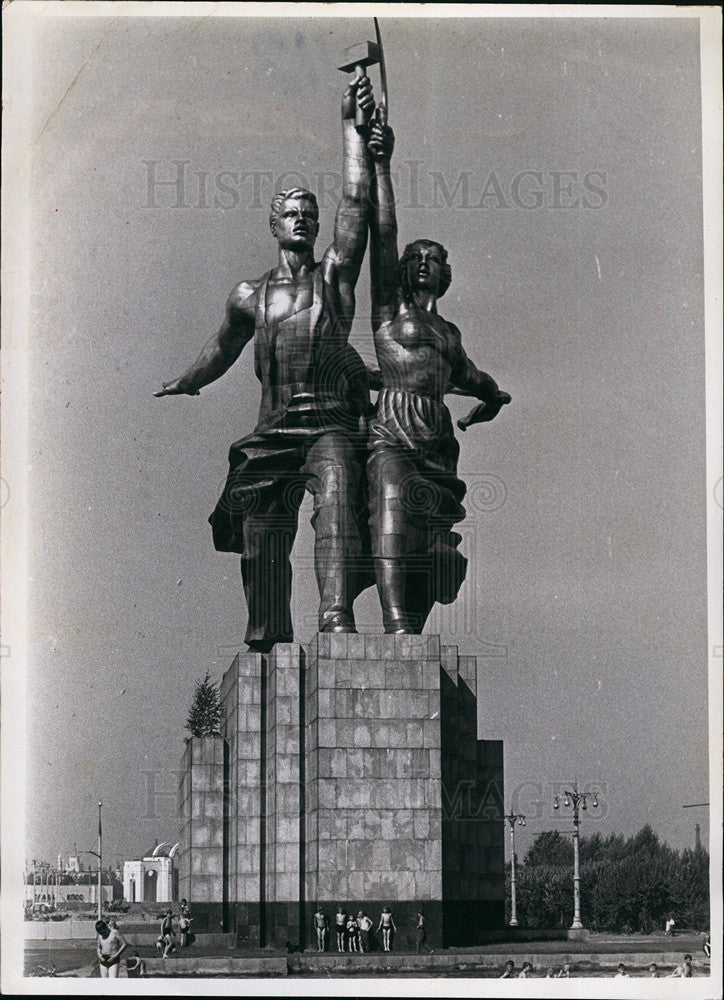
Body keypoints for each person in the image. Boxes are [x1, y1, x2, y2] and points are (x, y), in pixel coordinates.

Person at [156, 77, 379, 650]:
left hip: (328, 422)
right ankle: (267, 636)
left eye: (310, 212)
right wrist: (188, 380)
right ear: (274, 224)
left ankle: (335, 618)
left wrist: (353, 129)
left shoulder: (335, 279)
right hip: (273, 429)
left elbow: (356, 204)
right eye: (293, 213)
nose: (303, 219)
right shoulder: (249, 294)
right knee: (260, 533)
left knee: (335, 496)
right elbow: (222, 347)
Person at [364, 117, 511, 633]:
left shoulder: (449, 333)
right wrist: (381, 163)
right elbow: (383, 234)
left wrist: (487, 405)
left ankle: (413, 630)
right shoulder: (388, 313)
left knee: (432, 537)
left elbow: (480, 383)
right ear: (405, 268)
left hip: (438, 439)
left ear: (445, 275)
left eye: (436, 258)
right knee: (390, 511)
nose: (426, 262)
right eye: (418, 257)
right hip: (392, 430)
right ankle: (395, 620)